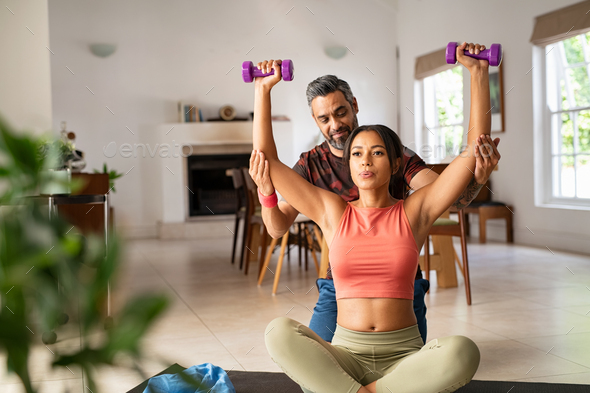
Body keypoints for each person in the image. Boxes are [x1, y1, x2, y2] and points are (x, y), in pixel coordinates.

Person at [250, 42, 489, 393]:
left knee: (463, 351)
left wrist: (478, 72)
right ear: (348, 164)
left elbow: (470, 153)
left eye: (376, 153)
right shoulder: (332, 210)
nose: (365, 160)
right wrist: (262, 89)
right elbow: (267, 159)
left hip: (403, 353)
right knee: (277, 331)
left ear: (394, 164)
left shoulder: (415, 210)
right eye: (357, 154)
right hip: (347, 350)